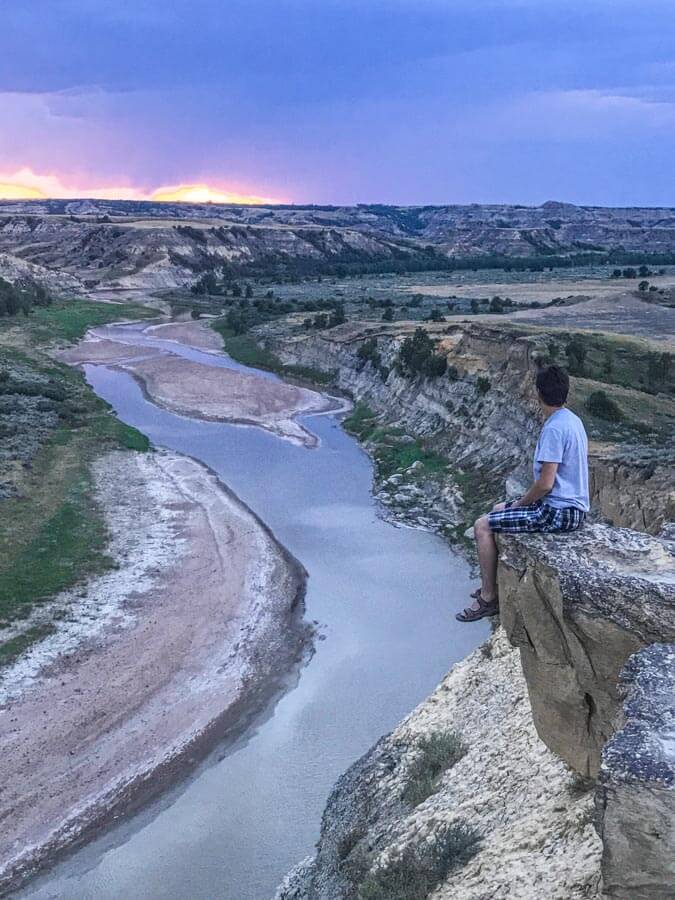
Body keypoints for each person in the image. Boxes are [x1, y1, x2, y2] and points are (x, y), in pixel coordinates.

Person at [456, 364, 589, 623]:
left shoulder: (553, 429)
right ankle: (494, 581)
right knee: (497, 510)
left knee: (482, 526)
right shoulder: (573, 420)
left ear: (538, 394)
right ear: (566, 393)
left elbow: (545, 484)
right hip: (574, 508)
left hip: (557, 512)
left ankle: (487, 597)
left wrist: (519, 504)